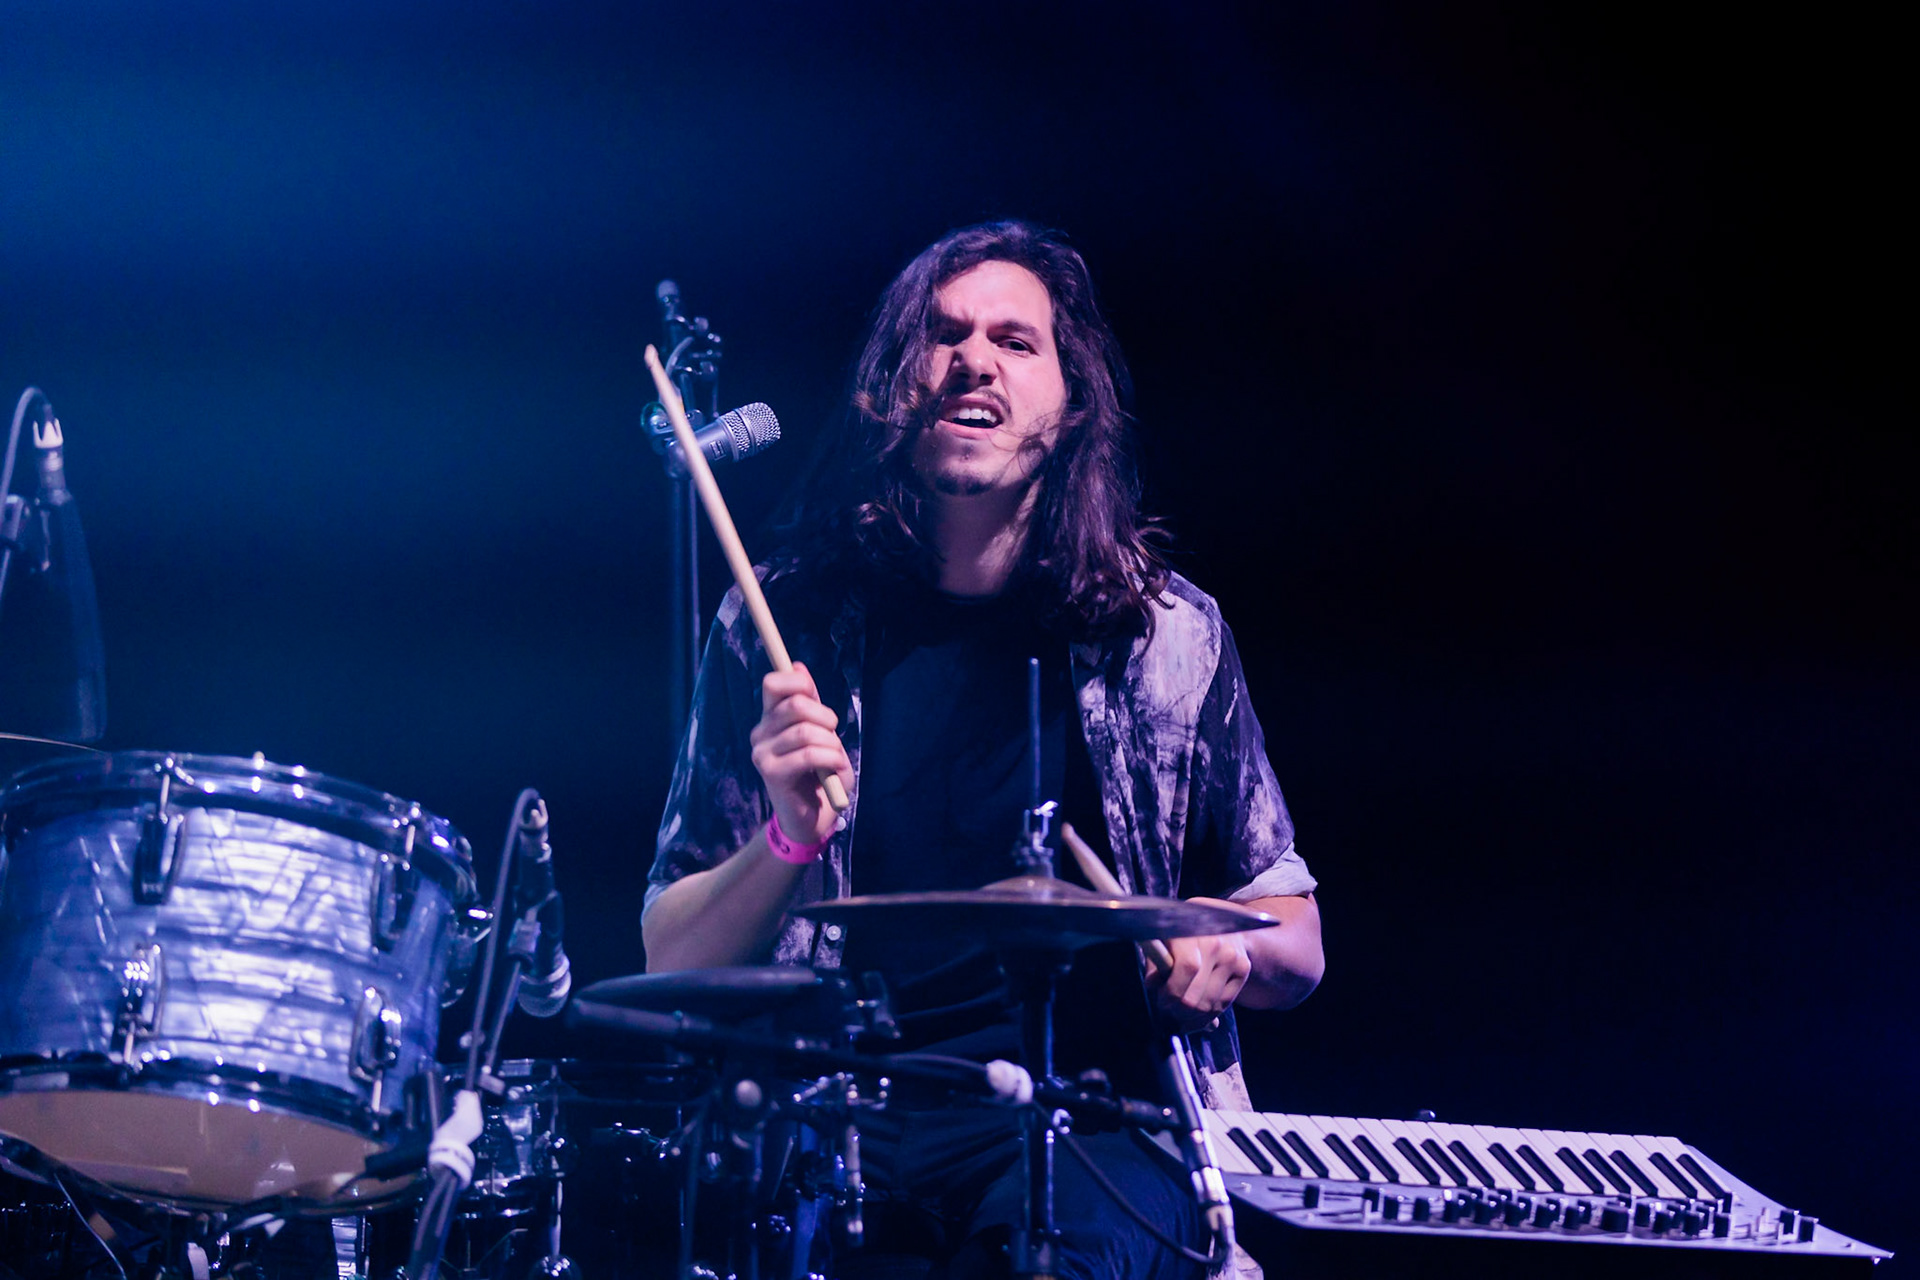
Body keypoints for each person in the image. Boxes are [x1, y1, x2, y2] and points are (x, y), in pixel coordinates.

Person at [643, 220, 1323, 1279]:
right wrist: (786, 839)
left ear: (1073, 400)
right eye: (944, 334)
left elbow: (1298, 940)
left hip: (1100, 1122)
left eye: (1015, 340)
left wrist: (1221, 949)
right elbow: (671, 961)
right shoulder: (783, 626)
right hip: (846, 1131)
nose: (974, 360)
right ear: (892, 387)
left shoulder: (1164, 637)